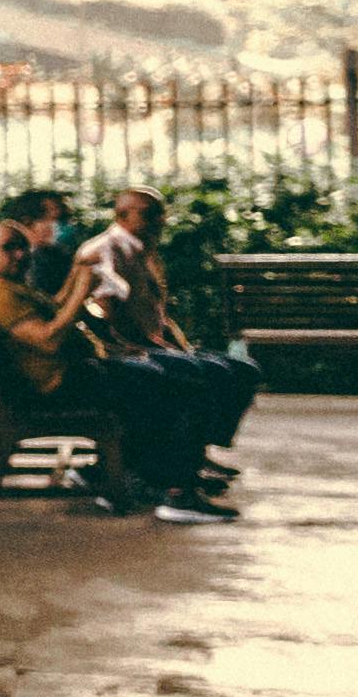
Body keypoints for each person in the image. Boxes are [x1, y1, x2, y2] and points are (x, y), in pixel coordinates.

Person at [0, 214, 231, 520]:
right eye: (9, 248)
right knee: (177, 384)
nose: (21, 255)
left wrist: (79, 275)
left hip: (71, 374)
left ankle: (131, 474)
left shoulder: (3, 285)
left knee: (172, 372)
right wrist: (81, 293)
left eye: (24, 248)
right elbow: (48, 340)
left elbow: (53, 307)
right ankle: (177, 493)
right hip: (59, 385)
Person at [77, 187, 259, 491]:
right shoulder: (106, 249)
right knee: (200, 375)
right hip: (127, 351)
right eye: (150, 214)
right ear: (122, 215)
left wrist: (178, 346)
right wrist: (154, 347)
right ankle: (176, 468)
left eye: (160, 213)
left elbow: (156, 312)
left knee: (243, 370)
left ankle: (194, 450)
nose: (160, 221)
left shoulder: (141, 248)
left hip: (154, 344)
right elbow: (106, 313)